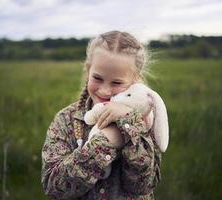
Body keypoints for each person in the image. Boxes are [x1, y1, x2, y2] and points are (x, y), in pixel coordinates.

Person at [41, 30, 162, 200]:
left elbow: (143, 185)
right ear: (88, 70)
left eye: (116, 82)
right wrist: (106, 142)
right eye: (97, 78)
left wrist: (129, 125)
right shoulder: (66, 120)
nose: (105, 90)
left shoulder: (145, 120)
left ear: (135, 80)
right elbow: (54, 186)